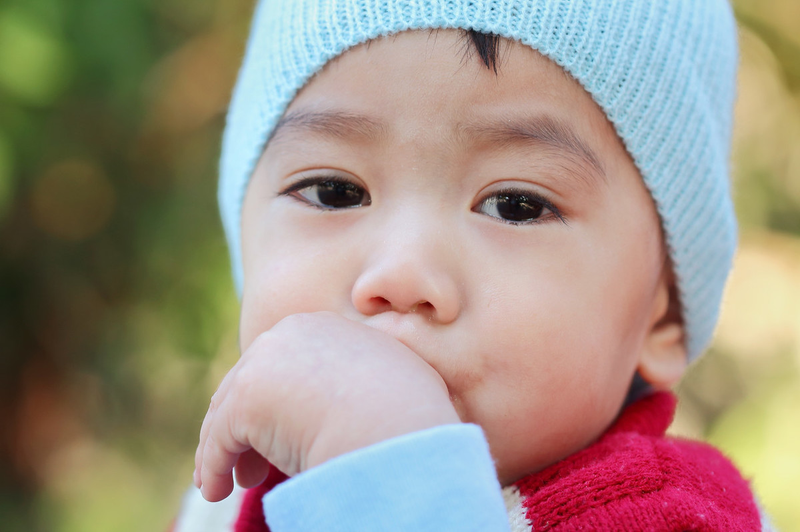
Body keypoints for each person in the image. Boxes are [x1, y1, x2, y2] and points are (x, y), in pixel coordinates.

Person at [173, 1, 772, 530]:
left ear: (660, 314)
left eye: (516, 206)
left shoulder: (669, 511)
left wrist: (391, 479)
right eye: (334, 191)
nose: (401, 274)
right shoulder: (224, 500)